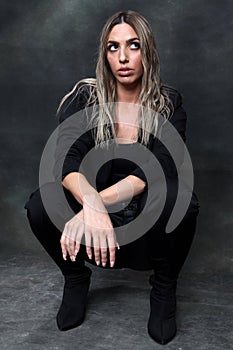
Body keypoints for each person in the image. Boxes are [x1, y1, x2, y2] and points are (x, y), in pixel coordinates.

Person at [25, 10, 200, 345]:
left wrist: (95, 206)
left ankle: (164, 288)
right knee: (39, 205)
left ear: (147, 51)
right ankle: (76, 277)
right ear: (104, 55)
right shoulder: (85, 98)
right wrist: (90, 203)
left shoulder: (169, 104)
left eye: (133, 46)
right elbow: (65, 161)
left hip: (145, 223)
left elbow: (159, 165)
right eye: (112, 47)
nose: (122, 57)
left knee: (180, 198)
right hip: (95, 232)